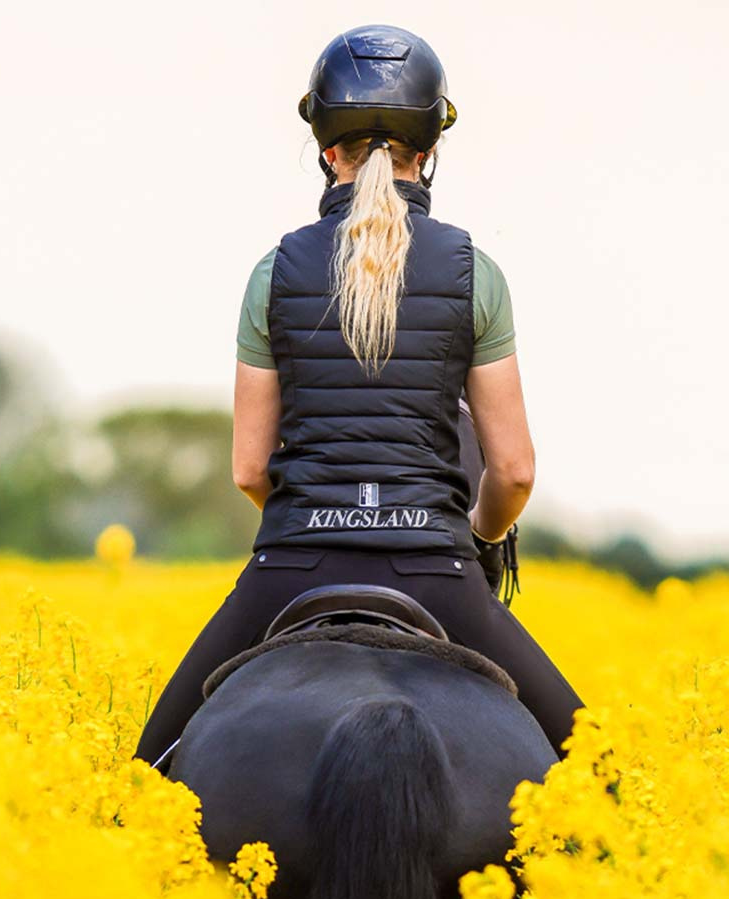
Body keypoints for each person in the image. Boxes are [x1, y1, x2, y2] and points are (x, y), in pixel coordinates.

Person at [134, 24, 583, 769]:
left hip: (293, 565)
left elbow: (250, 470)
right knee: (601, 784)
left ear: (325, 148)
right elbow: (514, 473)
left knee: (138, 786)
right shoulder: (479, 274)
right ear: (430, 149)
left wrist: (316, 517)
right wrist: (479, 537)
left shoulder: (272, 274)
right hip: (438, 572)